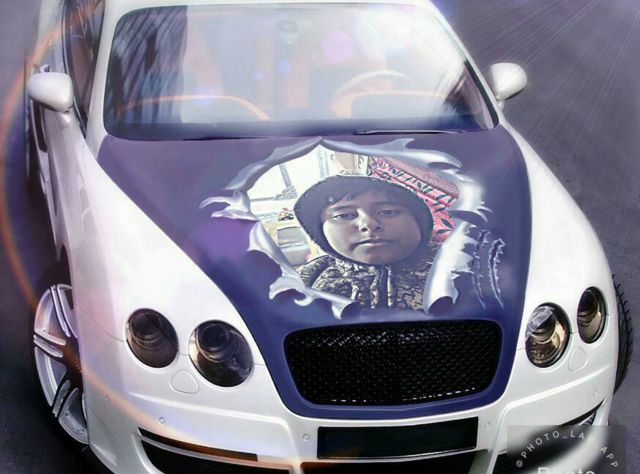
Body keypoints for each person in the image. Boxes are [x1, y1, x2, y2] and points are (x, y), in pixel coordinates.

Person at [294, 172, 436, 310]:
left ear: (420, 222)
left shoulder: (447, 264)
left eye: (388, 212)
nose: (369, 224)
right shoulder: (305, 278)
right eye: (344, 215)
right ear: (320, 231)